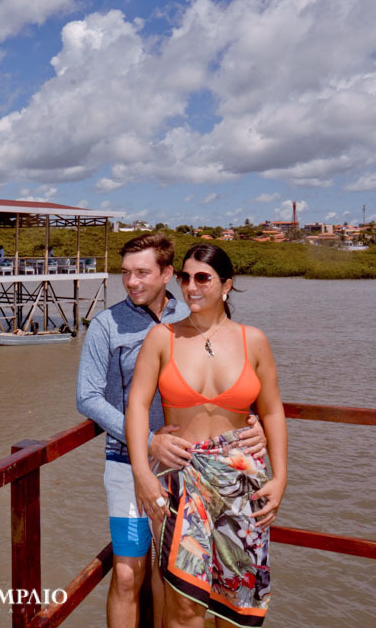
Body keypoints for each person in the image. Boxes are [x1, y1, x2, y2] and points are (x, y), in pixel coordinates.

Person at [78, 234, 266, 628]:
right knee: (127, 571)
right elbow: (88, 398)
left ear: (167, 274)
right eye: (126, 273)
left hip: (188, 469)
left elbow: (230, 375)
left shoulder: (192, 313)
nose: (131, 282)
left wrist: (254, 424)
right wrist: (150, 443)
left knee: (172, 576)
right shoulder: (106, 324)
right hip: (126, 463)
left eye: (142, 273)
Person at [126, 243, 287, 628]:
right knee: (184, 603)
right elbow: (136, 406)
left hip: (242, 482)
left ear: (226, 285)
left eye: (203, 278)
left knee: (237, 600)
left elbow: (272, 411)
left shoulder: (253, 340)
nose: (191, 287)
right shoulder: (162, 338)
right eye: (185, 278)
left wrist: (281, 478)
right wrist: (142, 473)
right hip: (181, 478)